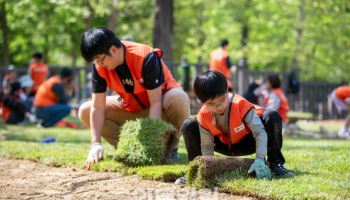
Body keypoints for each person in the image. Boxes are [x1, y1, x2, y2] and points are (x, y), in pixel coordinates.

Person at [79, 27, 190, 169]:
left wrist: (151, 142)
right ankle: (130, 148)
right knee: (85, 111)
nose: (99, 65)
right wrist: (95, 144)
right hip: (132, 108)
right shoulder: (99, 67)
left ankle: (170, 148)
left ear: (113, 49)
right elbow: (97, 107)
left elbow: (155, 102)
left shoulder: (145, 56)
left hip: (160, 109)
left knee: (178, 97)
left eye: (100, 60)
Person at [176, 71, 294, 184]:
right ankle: (194, 170)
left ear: (227, 91)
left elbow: (259, 132)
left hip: (249, 141)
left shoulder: (240, 104)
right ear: (201, 101)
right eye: (212, 104)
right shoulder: (203, 115)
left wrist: (260, 159)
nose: (219, 106)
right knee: (189, 125)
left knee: (272, 115)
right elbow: (207, 146)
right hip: (224, 145)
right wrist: (208, 167)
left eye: (222, 100)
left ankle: (276, 164)